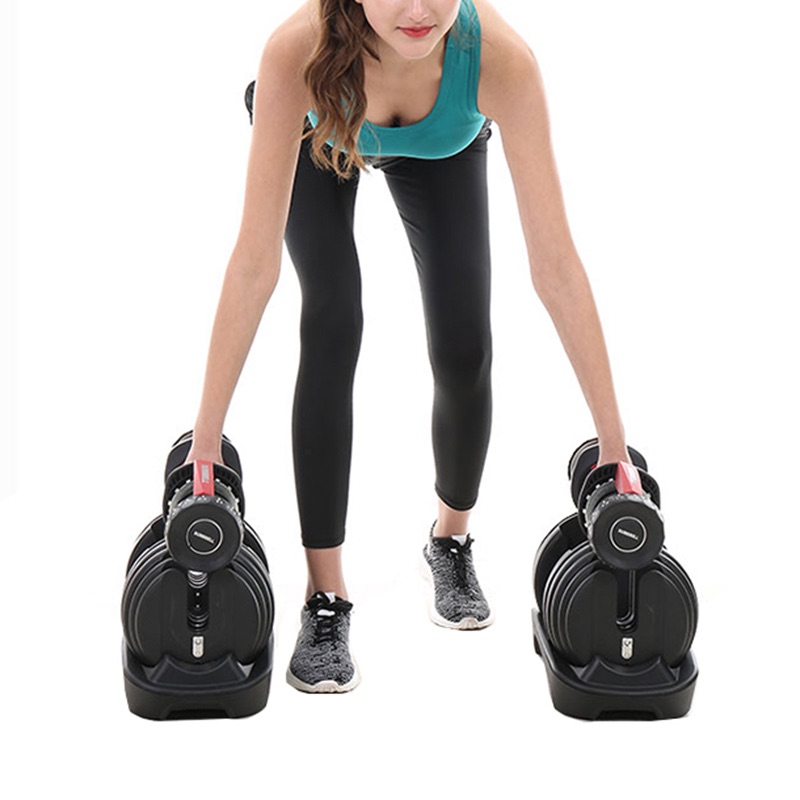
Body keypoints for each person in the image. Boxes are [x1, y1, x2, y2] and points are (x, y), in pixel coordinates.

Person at [185, 0, 632, 693]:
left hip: (444, 144)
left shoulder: (499, 61)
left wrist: (614, 448)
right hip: (319, 129)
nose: (420, 9)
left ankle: (449, 539)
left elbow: (557, 268)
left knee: (464, 346)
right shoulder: (295, 53)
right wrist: (206, 445)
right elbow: (252, 267)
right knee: (333, 317)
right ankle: (324, 594)